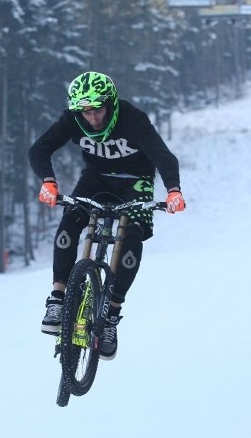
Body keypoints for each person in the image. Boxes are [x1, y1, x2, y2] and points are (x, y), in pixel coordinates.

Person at [29, 71, 185, 360]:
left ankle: (111, 316)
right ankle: (58, 298)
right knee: (68, 223)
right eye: (85, 112)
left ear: (110, 103)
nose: (93, 118)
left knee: (132, 236)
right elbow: (39, 148)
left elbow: (163, 156)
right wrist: (48, 181)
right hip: (96, 177)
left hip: (135, 179)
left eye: (97, 109)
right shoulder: (72, 119)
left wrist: (173, 190)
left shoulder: (132, 119)